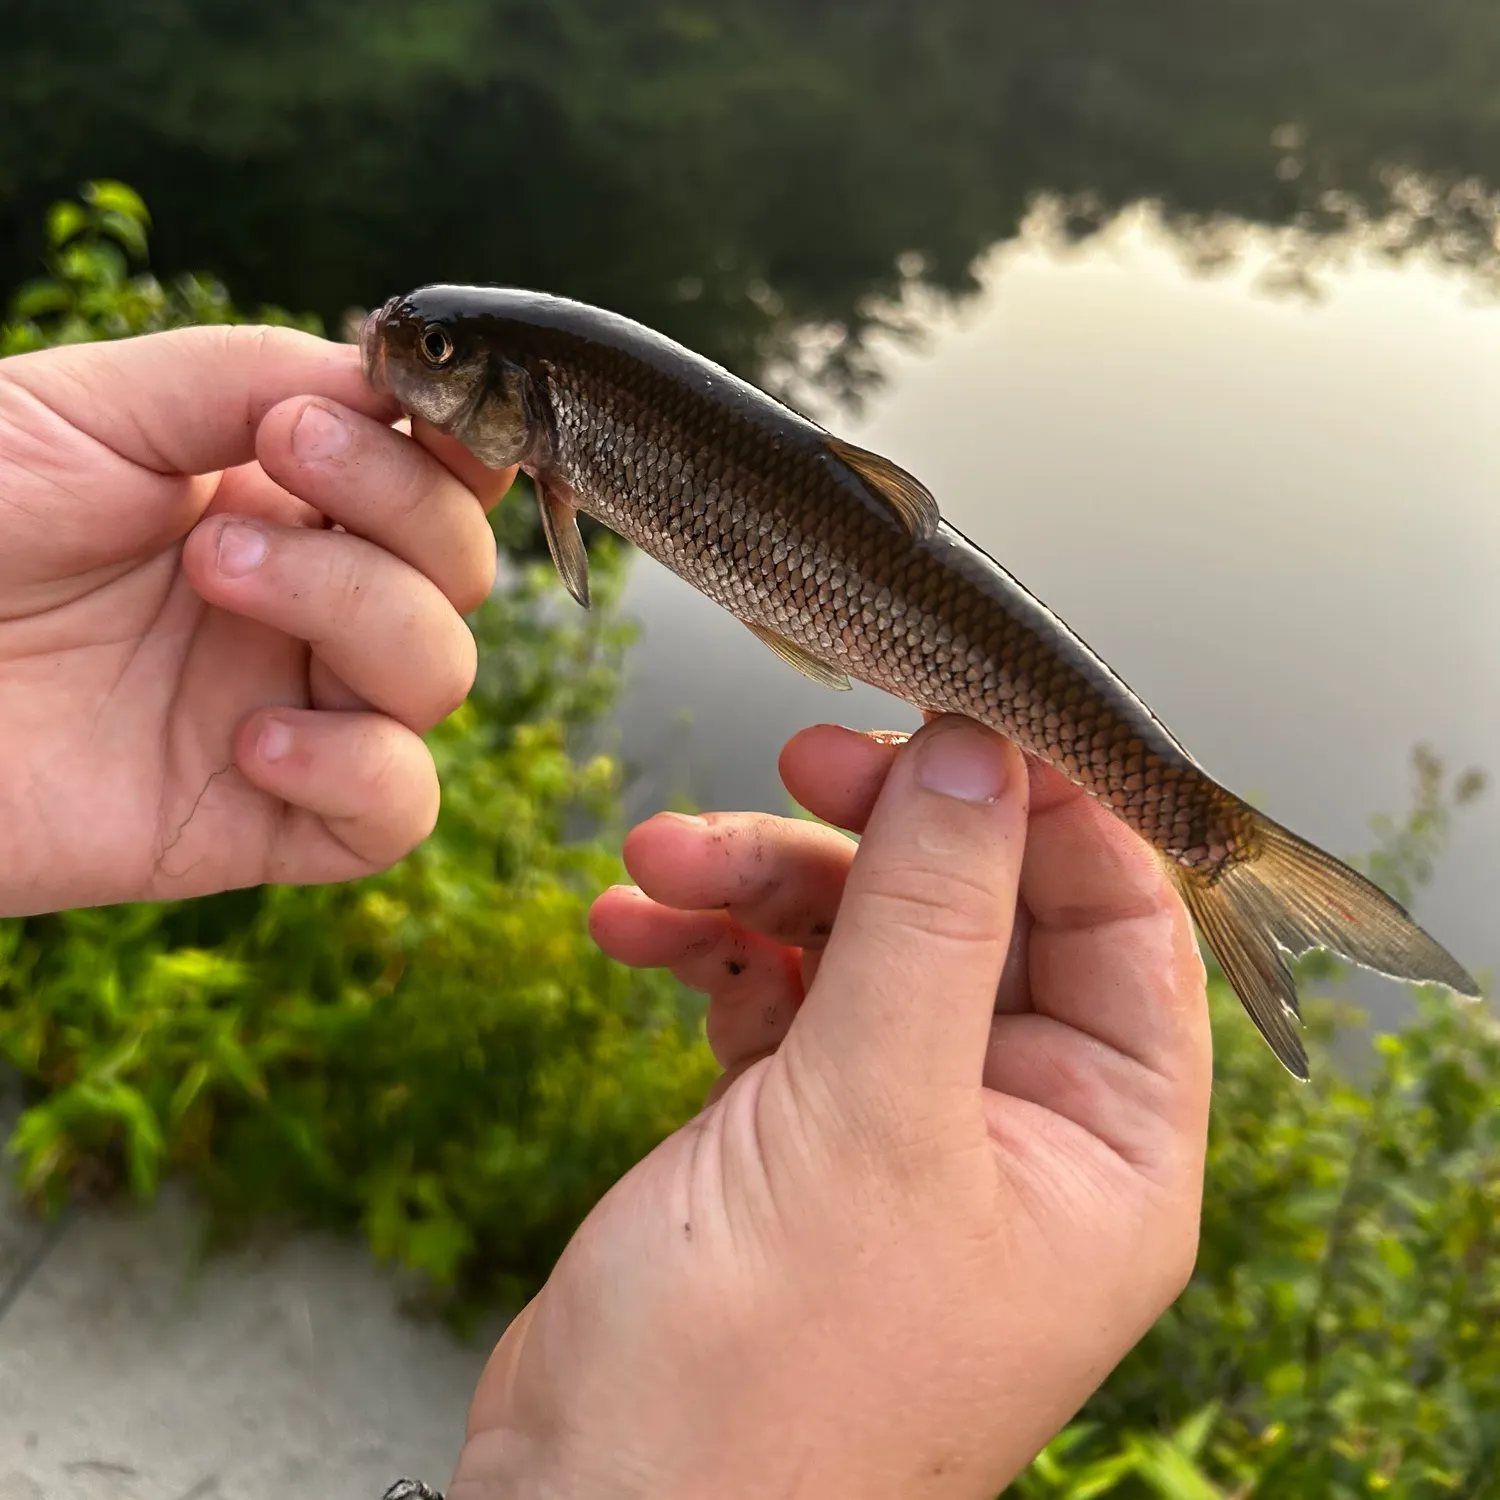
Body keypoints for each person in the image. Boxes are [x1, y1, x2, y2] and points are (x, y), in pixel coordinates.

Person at [0, 325, 1212, 1499]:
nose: (401, 351)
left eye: (436, 356)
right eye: (428, 350)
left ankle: (1204, 837)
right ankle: (1203, 835)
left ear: (520, 398)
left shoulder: (566, 435)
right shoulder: (547, 441)